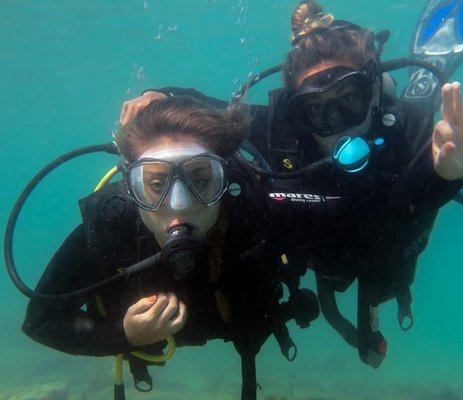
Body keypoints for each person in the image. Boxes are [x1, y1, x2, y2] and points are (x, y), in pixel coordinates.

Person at [118, 0, 463, 370]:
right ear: (296, 110)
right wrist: (161, 95)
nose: (334, 123)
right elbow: (214, 110)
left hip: (389, 251)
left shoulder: (420, 140)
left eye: (349, 99)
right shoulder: (281, 132)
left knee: (419, 148)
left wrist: (455, 173)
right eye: (315, 108)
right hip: (325, 258)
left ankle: (417, 96)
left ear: (374, 93)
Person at [21, 96, 318, 400]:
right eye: (155, 183)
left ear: (224, 180)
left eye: (200, 179)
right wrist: (122, 335)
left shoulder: (254, 213)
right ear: (131, 186)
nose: (179, 204)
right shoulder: (111, 228)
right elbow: (39, 322)